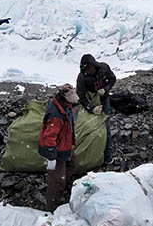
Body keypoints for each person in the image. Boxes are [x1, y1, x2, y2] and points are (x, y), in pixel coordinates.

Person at [38, 84, 79, 212]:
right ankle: (51, 208)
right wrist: (52, 156)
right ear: (64, 98)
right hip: (57, 149)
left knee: (72, 163)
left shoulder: (65, 106)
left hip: (65, 145)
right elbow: (49, 137)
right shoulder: (56, 116)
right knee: (56, 181)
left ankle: (65, 186)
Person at [76, 54, 117, 164]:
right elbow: (80, 96)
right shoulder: (82, 77)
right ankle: (91, 155)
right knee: (89, 126)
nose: (88, 71)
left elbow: (112, 79)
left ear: (94, 66)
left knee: (106, 127)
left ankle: (107, 156)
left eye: (89, 68)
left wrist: (106, 89)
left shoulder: (103, 68)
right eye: (85, 69)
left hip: (104, 100)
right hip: (90, 100)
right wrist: (91, 108)